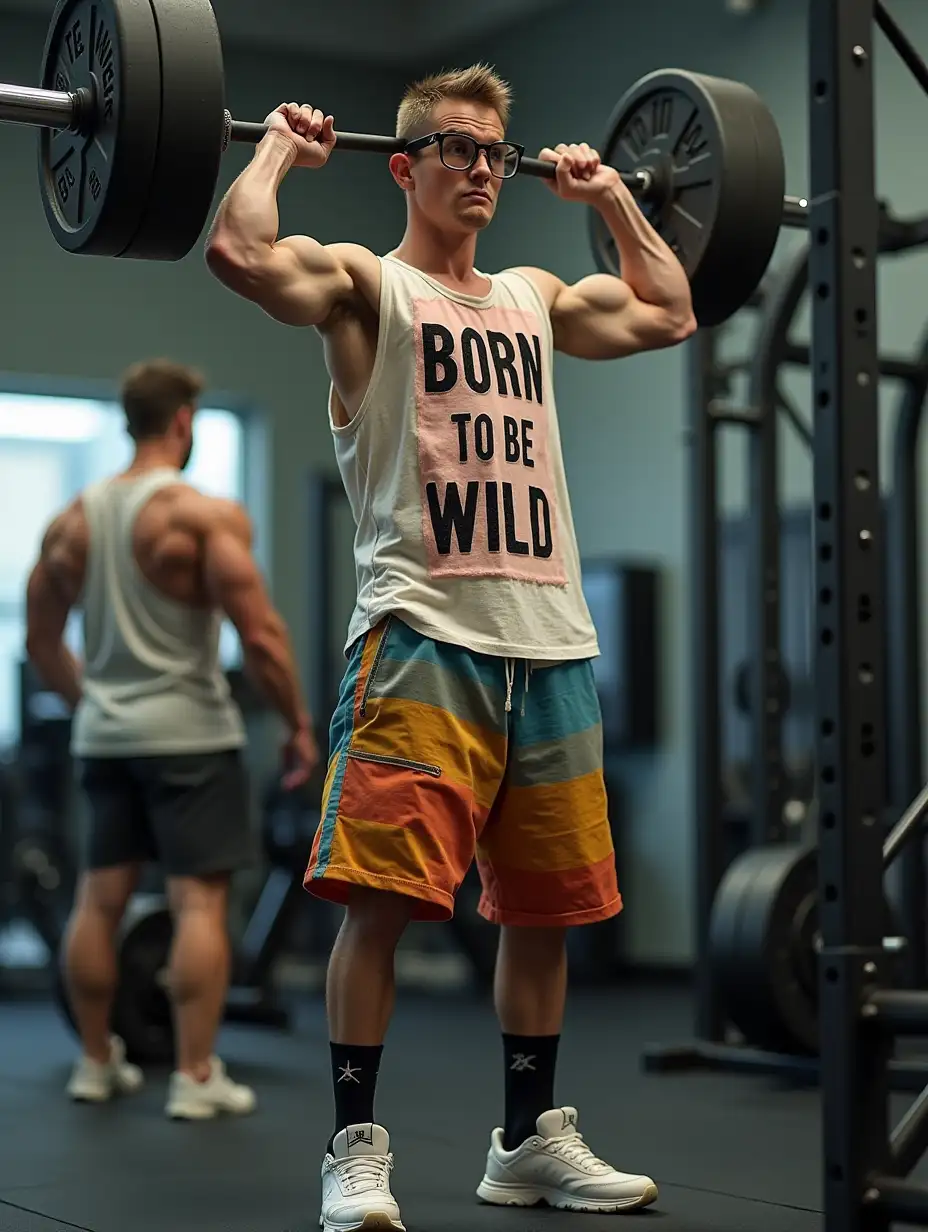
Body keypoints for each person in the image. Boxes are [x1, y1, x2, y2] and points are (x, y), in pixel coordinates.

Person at [205, 62, 695, 1229]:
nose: (480, 168)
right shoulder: (367, 287)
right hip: (423, 637)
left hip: (552, 646)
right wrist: (275, 149)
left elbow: (670, 309)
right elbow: (237, 254)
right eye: (456, 149)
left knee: (544, 913)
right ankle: (353, 1150)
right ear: (405, 162)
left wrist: (615, 202)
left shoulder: (532, 293)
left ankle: (526, 1139)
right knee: (377, 905)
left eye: (495, 153)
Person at [24, 359, 318, 1120]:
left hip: (106, 738)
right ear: (183, 420)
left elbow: (43, 642)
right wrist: (297, 723)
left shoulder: (71, 523)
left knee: (99, 902)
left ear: (131, 420)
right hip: (191, 733)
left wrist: (95, 702)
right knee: (197, 906)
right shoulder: (197, 517)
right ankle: (193, 1075)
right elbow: (261, 635)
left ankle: (95, 1063)